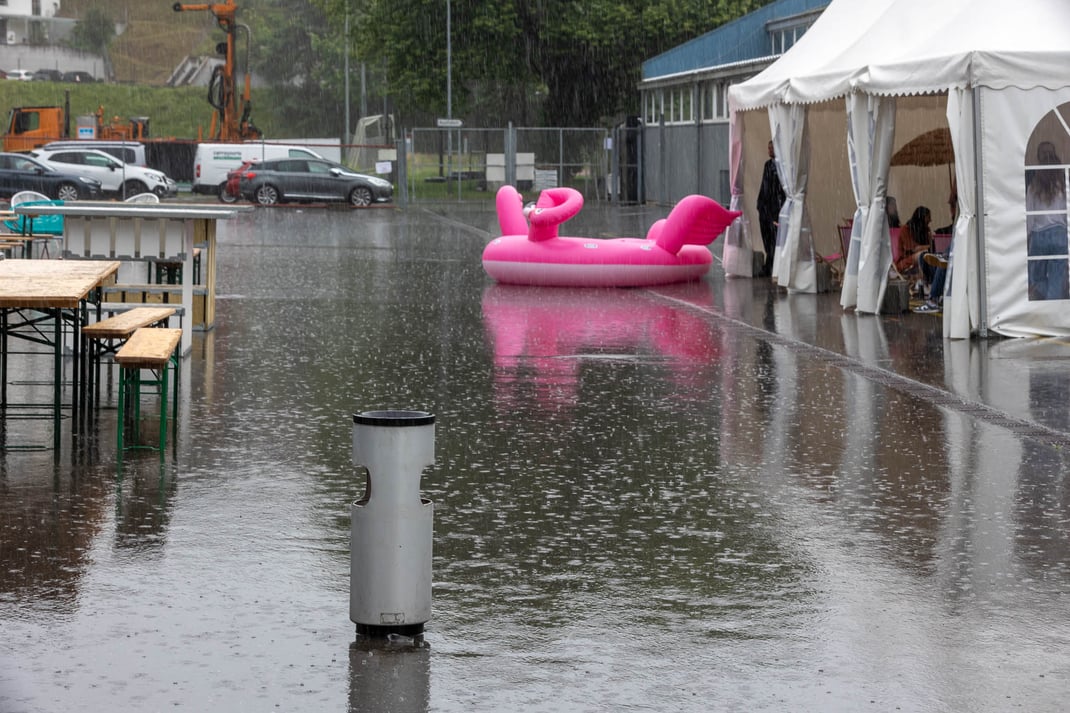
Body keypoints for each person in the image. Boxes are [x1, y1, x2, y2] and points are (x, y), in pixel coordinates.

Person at [1025, 141, 1068, 300]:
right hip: (1060, 234)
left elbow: (1030, 215)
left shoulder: (1034, 185)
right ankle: (1053, 308)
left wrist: (1027, 236)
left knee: (1037, 277)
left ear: (1038, 158)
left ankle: (1043, 305)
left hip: (1039, 236)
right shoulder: (1063, 183)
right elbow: (1066, 214)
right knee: (1057, 278)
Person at [756, 140, 785, 277]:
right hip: (766, 207)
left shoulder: (781, 167)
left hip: (776, 207)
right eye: (768, 148)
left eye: (771, 148)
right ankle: (770, 262)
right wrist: (761, 205)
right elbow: (765, 186)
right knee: (767, 236)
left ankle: (772, 264)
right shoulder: (768, 165)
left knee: (774, 237)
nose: (769, 151)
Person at [895, 205, 932, 279]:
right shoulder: (906, 230)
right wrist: (930, 247)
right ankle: (923, 279)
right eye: (928, 217)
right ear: (922, 218)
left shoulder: (925, 230)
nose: (930, 220)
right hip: (905, 261)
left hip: (917, 260)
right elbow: (913, 248)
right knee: (922, 255)